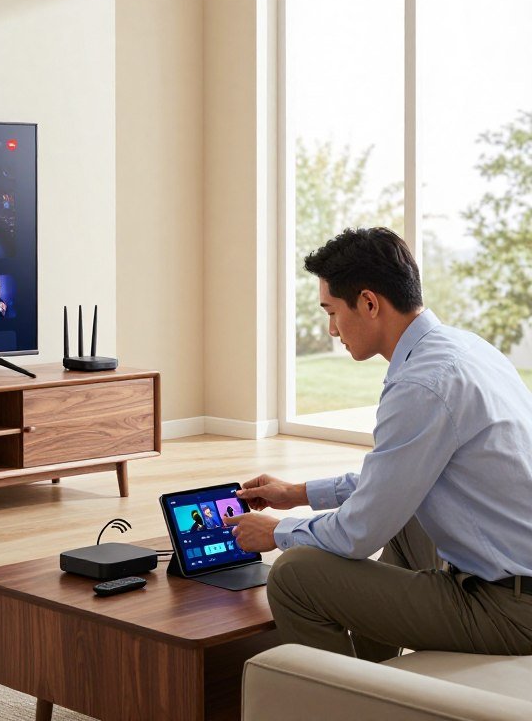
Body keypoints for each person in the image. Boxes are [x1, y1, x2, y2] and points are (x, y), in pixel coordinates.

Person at [224, 227, 532, 660]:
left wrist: (277, 532)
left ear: (369, 303)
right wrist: (296, 495)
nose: (332, 330)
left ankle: (352, 699)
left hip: (511, 610)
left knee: (295, 576)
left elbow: (356, 534)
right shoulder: (464, 349)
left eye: (332, 312)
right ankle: (378, 676)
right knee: (405, 515)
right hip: (517, 580)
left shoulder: (423, 384)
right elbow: (393, 479)